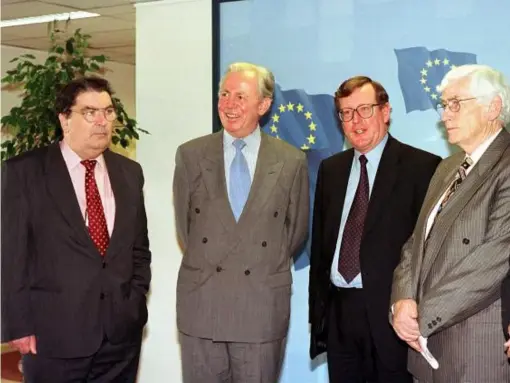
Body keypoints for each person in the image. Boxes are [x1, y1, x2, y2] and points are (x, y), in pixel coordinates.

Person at [1, 76, 151, 382]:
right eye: (90, 112)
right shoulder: (24, 172)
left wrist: (134, 301)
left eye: (108, 112)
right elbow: (10, 256)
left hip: (120, 336)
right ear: (64, 119)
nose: (102, 121)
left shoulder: (129, 173)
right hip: (53, 336)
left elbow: (138, 249)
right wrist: (18, 325)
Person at [173, 62, 309, 383]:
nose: (229, 104)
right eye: (224, 94)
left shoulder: (291, 160)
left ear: (263, 105)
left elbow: (295, 231)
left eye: (240, 97)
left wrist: (255, 256)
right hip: (203, 303)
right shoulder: (190, 155)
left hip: (260, 306)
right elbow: (186, 228)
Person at [309, 76, 441, 383]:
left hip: (390, 314)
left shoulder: (422, 167)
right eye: (346, 112)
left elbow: (428, 248)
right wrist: (321, 317)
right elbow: (321, 249)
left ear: (386, 112)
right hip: (340, 315)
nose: (356, 120)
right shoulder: (331, 170)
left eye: (365, 109)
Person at [391, 64, 510, 382]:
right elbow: (415, 242)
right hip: (426, 354)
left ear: (493, 107)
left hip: (474, 351)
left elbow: (493, 261)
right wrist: (401, 301)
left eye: (456, 104)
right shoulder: (447, 166)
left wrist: (422, 316)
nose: (445, 116)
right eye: (444, 105)